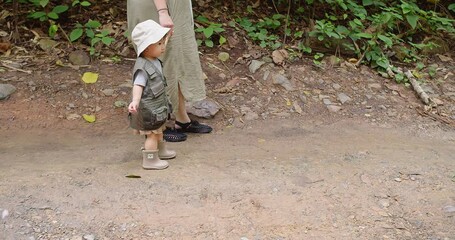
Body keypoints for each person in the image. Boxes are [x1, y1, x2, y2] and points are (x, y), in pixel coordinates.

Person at [127, 0, 213, 142]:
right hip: (157, 6)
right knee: (158, 61)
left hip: (173, 7)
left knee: (177, 60)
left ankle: (181, 119)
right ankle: (157, 126)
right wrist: (163, 11)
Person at [128, 19, 176, 170]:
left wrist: (167, 36)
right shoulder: (142, 67)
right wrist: (135, 101)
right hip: (148, 109)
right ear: (147, 47)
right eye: (159, 44)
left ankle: (161, 151)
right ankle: (150, 159)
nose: (163, 47)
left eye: (163, 43)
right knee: (152, 135)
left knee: (159, 129)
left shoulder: (153, 58)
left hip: (158, 106)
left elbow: (161, 45)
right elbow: (138, 85)